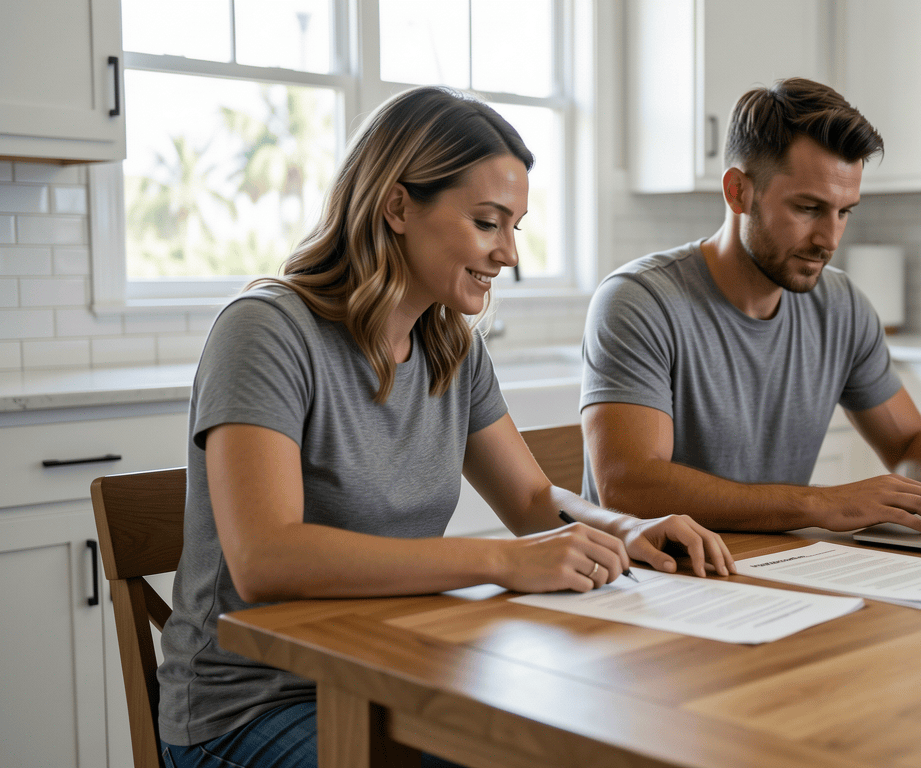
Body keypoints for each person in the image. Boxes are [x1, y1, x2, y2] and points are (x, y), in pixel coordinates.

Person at [156, 85, 734, 768]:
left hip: (387, 669)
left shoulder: (449, 345)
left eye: (515, 226)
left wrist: (624, 528)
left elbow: (527, 501)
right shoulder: (266, 331)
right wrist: (500, 559)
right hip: (251, 708)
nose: (509, 253)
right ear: (398, 206)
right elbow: (265, 561)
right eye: (489, 223)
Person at [580, 77, 921, 535]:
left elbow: (907, 443)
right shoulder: (638, 302)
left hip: (778, 570)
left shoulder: (842, 306)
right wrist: (819, 503)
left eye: (844, 212)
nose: (829, 239)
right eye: (808, 209)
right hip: (653, 584)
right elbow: (629, 486)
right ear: (738, 192)